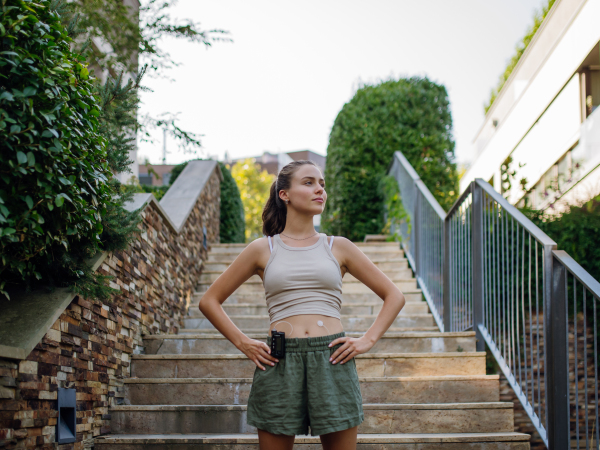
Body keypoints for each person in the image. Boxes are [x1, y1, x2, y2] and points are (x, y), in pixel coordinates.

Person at [199, 160, 406, 450]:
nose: (319, 189)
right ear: (285, 194)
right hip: (280, 359)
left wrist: (367, 340)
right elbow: (209, 301)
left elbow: (395, 295)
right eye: (308, 182)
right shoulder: (263, 248)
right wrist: (244, 343)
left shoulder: (338, 246)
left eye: (321, 183)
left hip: (332, 358)